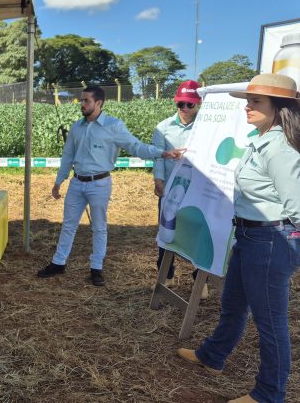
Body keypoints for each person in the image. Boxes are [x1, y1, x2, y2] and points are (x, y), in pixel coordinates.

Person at [176, 74, 300, 403]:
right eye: (249, 100)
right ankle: (212, 356)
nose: (248, 107)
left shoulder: (279, 149)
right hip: (251, 237)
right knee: (233, 304)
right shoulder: (261, 139)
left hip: (272, 241)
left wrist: (290, 247)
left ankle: (269, 394)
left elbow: (298, 209)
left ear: (280, 108)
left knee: (271, 324)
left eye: (256, 102)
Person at [37, 85, 185, 286]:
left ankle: (96, 268)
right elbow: (67, 156)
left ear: (98, 103)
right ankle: (58, 263)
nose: (81, 104)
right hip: (77, 183)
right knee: (68, 225)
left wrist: (162, 153)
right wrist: (59, 181)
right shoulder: (76, 127)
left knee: (99, 228)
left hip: (100, 184)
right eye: (81, 100)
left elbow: (136, 146)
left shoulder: (114, 126)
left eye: (86, 100)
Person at [152, 81, 207, 296]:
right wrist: (158, 180)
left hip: (197, 188)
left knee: (196, 232)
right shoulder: (163, 127)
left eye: (189, 105)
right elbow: (157, 155)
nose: (184, 109)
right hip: (169, 189)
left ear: (198, 104)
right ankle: (166, 276)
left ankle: (199, 281)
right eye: (180, 104)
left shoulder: (206, 127)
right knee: (166, 231)